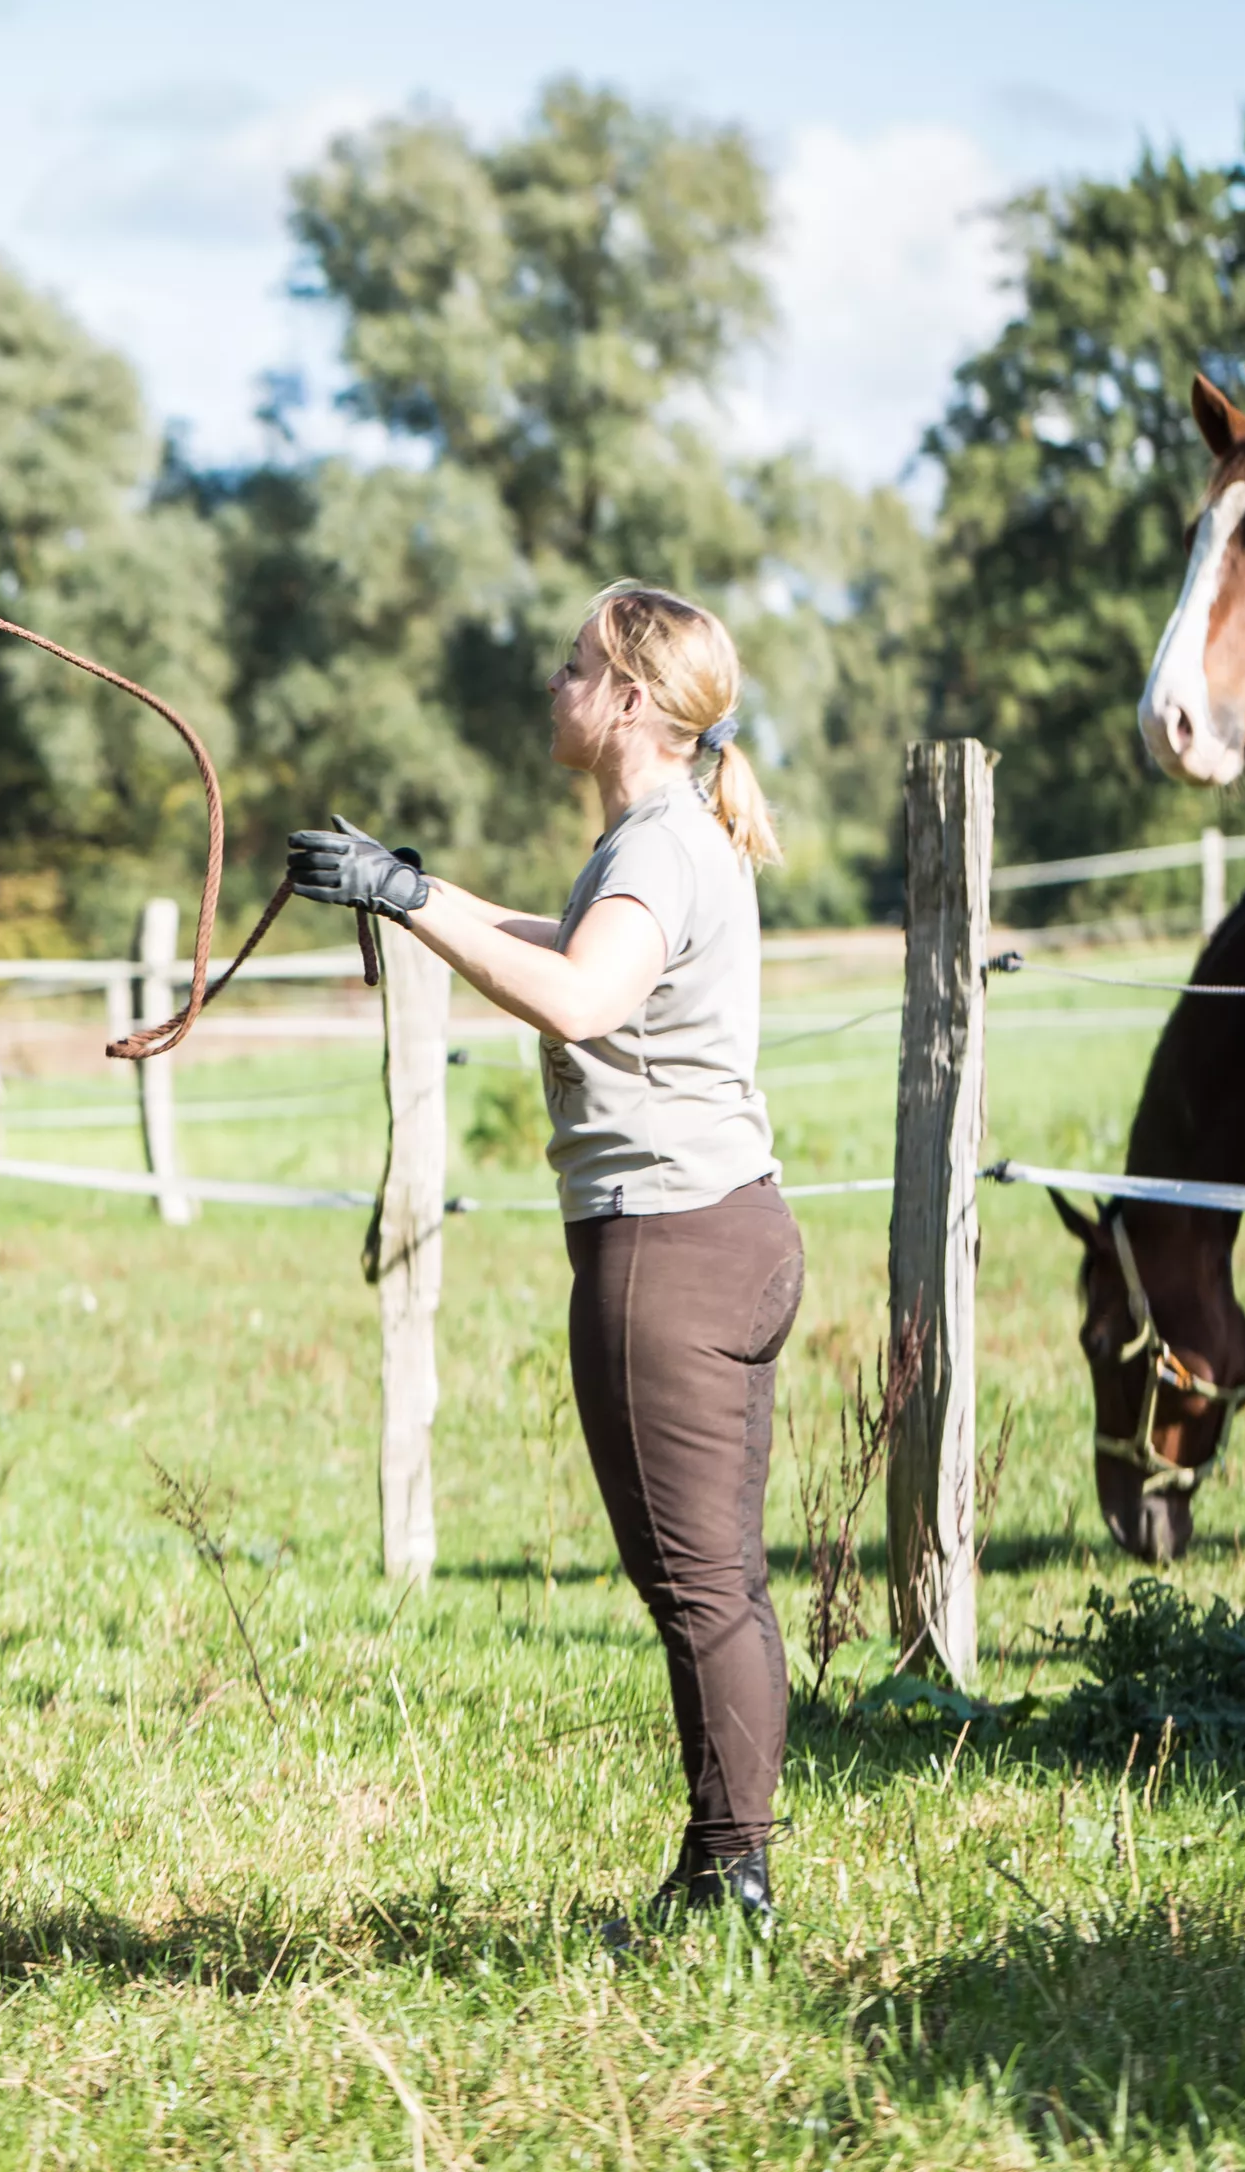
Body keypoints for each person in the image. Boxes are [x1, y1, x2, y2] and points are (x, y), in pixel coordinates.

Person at [285, 583, 799, 1923]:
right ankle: (716, 1859)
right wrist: (413, 890)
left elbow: (576, 998)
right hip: (728, 1227)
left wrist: (405, 896)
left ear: (631, 700)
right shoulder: (668, 837)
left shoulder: (654, 851)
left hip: (668, 1248)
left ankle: (734, 1878)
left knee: (698, 1591)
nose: (555, 688)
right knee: (719, 1583)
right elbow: (567, 950)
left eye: (576, 670)